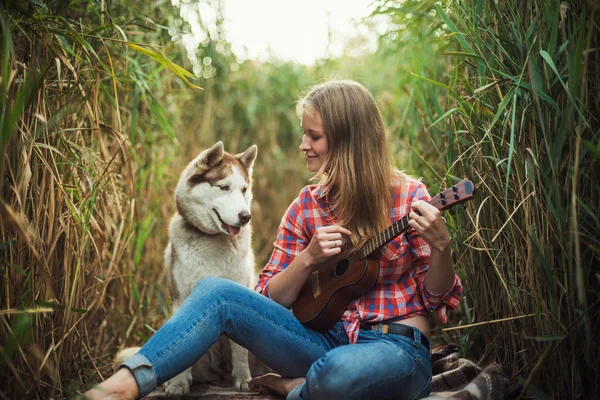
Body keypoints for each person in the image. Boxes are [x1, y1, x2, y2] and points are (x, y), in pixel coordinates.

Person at [85, 80, 462, 400]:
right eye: (304, 134)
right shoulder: (304, 207)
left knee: (336, 373)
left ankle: (298, 389)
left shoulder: (409, 196)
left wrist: (441, 247)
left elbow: (436, 297)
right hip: (316, 341)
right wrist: (308, 259)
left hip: (392, 345)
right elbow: (270, 299)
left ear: (348, 140)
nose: (302, 145)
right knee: (219, 293)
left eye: (313, 136)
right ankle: (124, 383)